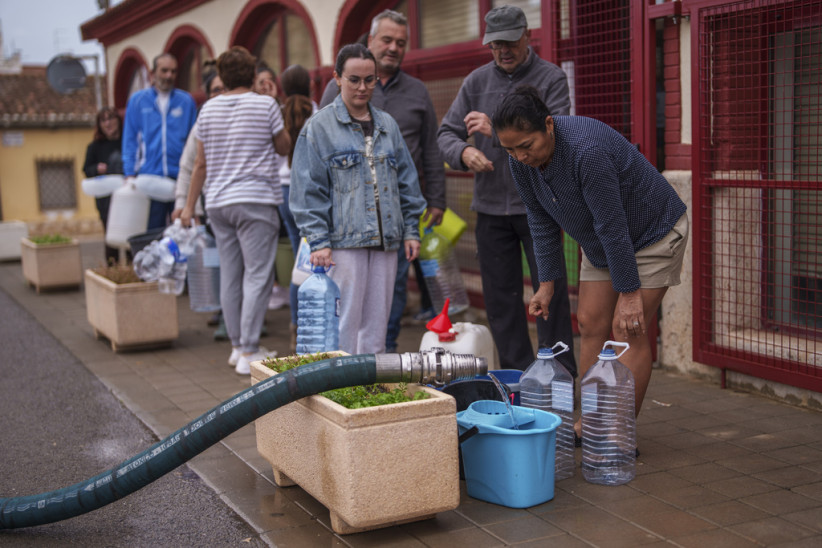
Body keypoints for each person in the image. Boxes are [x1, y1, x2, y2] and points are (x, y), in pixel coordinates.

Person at [492, 85, 688, 429]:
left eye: (526, 146)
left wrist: (629, 294)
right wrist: (547, 283)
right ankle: (594, 419)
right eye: (510, 149)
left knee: (627, 330)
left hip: (652, 231)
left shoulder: (586, 151)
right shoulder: (520, 161)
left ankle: (616, 434)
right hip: (602, 241)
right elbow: (540, 219)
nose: (520, 157)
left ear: (549, 125)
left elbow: (612, 225)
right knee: (590, 322)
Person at [437, 5, 576, 375]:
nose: (503, 50)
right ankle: (519, 380)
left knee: (551, 297)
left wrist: (494, 135)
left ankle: (558, 379)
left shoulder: (551, 78)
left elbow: (557, 137)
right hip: (490, 209)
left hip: (541, 208)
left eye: (510, 41)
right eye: (495, 44)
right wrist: (464, 152)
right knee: (501, 302)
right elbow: (445, 134)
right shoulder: (475, 81)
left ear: (527, 35)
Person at [320, 9, 447, 353]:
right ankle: (347, 364)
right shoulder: (336, 94)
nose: (393, 47)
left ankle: (382, 356)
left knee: (392, 291)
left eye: (401, 43)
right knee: (349, 298)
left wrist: (436, 200)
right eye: (387, 40)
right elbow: (318, 161)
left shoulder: (417, 91)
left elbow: (431, 151)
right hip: (347, 219)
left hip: (397, 213)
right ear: (370, 40)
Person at [291, 44, 427, 355]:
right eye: (354, 79)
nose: (363, 87)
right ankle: (340, 390)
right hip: (341, 243)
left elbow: (407, 181)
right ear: (337, 78)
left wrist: (411, 230)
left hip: (386, 241)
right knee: (344, 320)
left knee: (378, 323)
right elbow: (307, 190)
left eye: (369, 80)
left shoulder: (388, 125)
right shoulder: (319, 128)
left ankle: (371, 389)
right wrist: (319, 240)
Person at [180, 46, 291, 375]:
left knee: (230, 274)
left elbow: (200, 163)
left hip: (217, 202)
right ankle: (249, 349)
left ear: (223, 78)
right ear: (253, 73)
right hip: (256, 198)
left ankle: (235, 346)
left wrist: (188, 206)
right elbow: (284, 147)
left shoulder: (208, 110)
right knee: (257, 275)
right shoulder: (266, 105)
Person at [122, 53, 197, 230]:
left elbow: (193, 142)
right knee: (152, 232)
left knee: (181, 232)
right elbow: (130, 140)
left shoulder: (186, 101)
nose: (169, 76)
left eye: (173, 71)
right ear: (152, 73)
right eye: (164, 71)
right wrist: (129, 174)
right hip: (149, 179)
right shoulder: (138, 101)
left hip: (179, 179)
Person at [279, 64, 316, 352]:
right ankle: (302, 327)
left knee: (298, 258)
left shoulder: (278, 112)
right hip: (306, 191)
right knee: (305, 261)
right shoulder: (315, 110)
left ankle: (295, 326)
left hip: (282, 192)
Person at [83, 106, 124, 265]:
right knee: (111, 240)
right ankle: (113, 273)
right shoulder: (95, 147)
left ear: (118, 121)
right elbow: (86, 169)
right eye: (103, 120)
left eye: (110, 118)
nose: (107, 123)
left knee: (129, 236)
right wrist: (97, 169)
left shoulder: (127, 141)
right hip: (106, 202)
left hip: (127, 198)